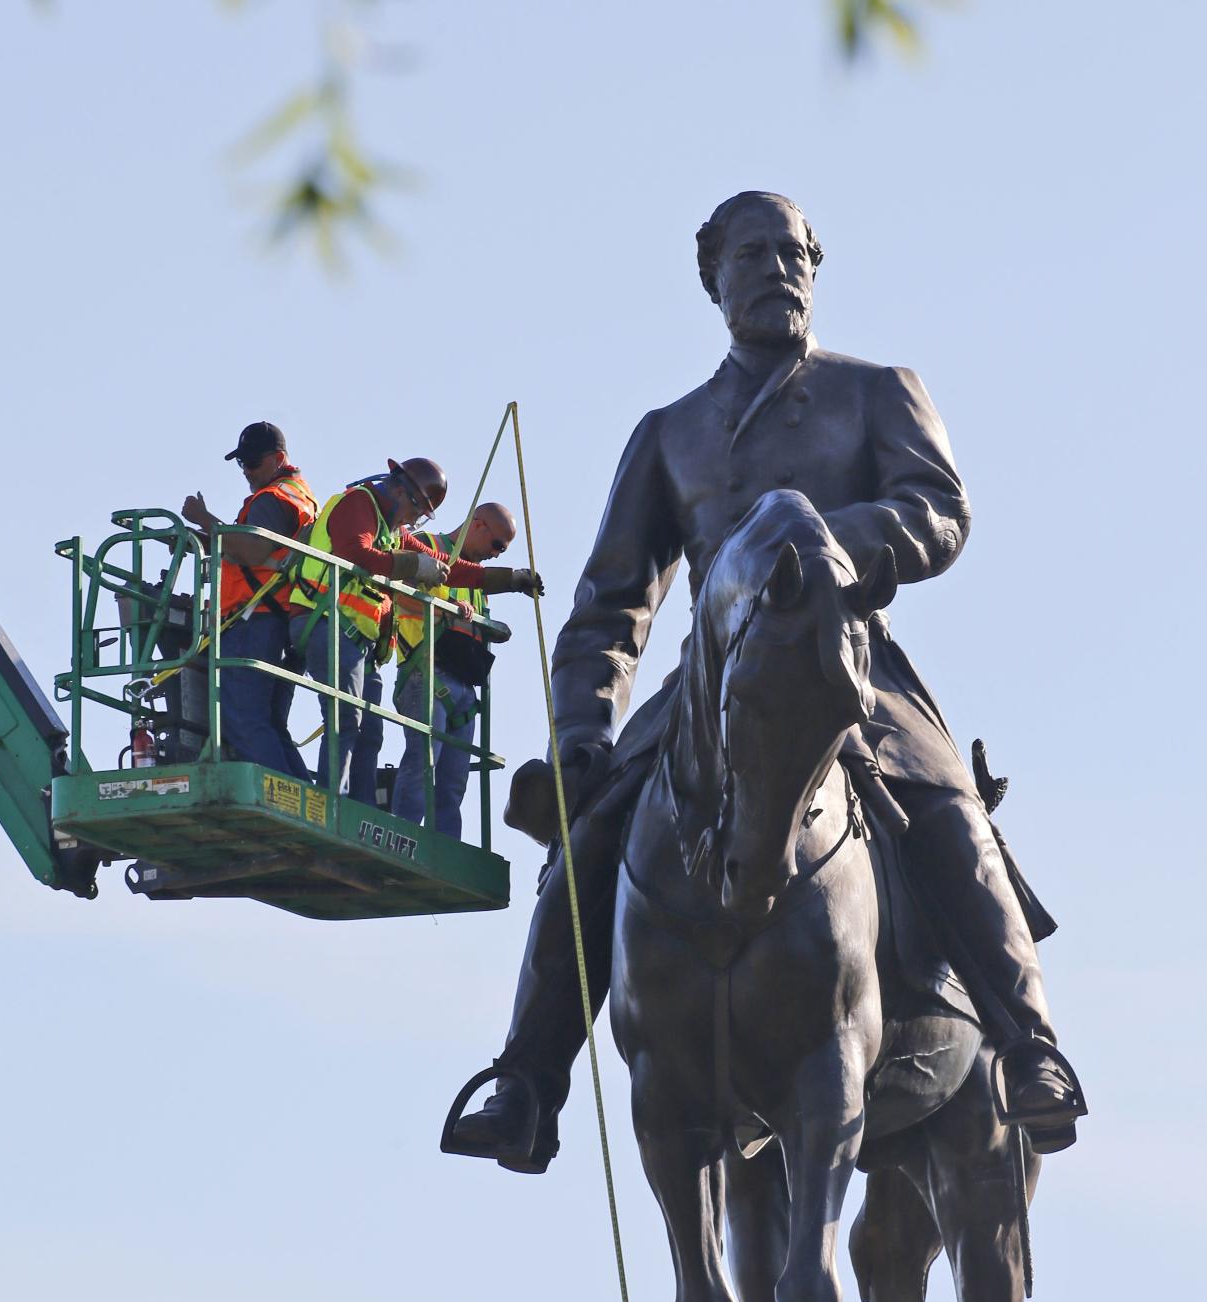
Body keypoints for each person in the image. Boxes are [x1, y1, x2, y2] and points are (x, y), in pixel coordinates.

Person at [445, 189, 1084, 1174]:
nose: (779, 271)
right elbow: (613, 607)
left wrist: (836, 546)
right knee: (590, 839)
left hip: (854, 663)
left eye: (794, 254)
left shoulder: (875, 391)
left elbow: (940, 508)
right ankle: (529, 1081)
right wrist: (584, 728)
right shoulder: (671, 433)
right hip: (711, 677)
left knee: (951, 815)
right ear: (715, 281)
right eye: (754, 256)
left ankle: (1032, 1045)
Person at [290, 461, 541, 796]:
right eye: (416, 509)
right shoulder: (359, 504)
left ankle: (360, 814)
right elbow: (357, 554)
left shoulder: (392, 529)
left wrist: (510, 579)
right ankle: (330, 804)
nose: (414, 520)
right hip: (324, 620)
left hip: (356, 638)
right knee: (347, 718)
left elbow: (449, 570)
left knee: (370, 732)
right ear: (398, 490)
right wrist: (411, 564)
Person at [181, 421, 317, 775]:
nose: (246, 471)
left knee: (243, 718)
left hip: (258, 620)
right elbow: (263, 556)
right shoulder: (298, 495)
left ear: (279, 458)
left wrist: (205, 519)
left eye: (253, 463)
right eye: (241, 463)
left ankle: (283, 796)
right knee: (268, 722)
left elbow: (255, 551)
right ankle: (304, 798)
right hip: (280, 618)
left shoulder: (273, 499)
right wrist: (202, 538)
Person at [386, 502, 519, 837]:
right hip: (425, 673)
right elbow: (396, 595)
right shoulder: (425, 547)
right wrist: (446, 610)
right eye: (497, 545)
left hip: (463, 687)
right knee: (422, 762)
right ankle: (403, 835)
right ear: (478, 526)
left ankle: (445, 846)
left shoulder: (477, 578)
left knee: (454, 779)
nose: (496, 554)